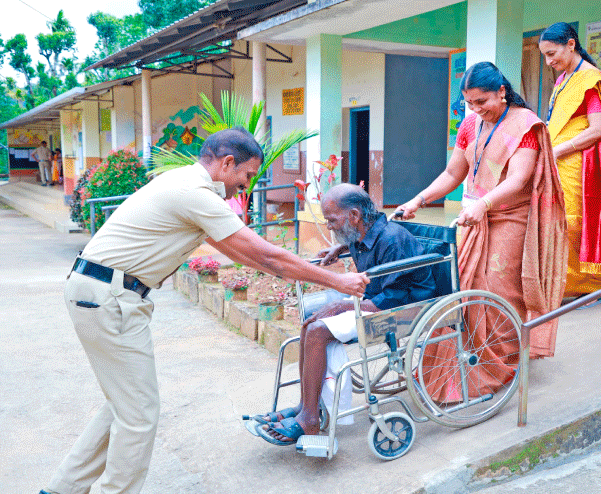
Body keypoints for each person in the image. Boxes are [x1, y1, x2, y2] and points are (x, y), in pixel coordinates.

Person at [40, 129, 369, 494]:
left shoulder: (186, 185)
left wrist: (299, 271)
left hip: (102, 292)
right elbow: (268, 254)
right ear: (227, 163)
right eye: (246, 175)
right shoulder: (194, 193)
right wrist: (336, 282)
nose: (245, 186)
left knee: (123, 405)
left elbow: (242, 253)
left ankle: (62, 489)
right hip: (109, 297)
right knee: (139, 415)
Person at [396, 61, 567, 385]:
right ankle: (463, 362)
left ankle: (501, 367)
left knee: (497, 288)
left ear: (501, 92)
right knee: (462, 287)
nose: (475, 109)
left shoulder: (525, 125)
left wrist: (484, 204)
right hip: (476, 218)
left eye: (481, 101)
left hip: (511, 218)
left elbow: (519, 178)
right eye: (469, 103)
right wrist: (417, 200)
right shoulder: (470, 125)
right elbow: (452, 174)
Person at [255, 184, 436, 445]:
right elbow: (364, 247)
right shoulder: (364, 234)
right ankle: (306, 406)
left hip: (403, 307)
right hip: (377, 298)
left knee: (319, 331)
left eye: (332, 220)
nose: (328, 226)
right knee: (310, 323)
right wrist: (340, 249)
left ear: (354, 216)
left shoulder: (392, 239)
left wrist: (346, 305)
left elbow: (392, 298)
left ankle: (309, 420)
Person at [539, 22, 601, 306]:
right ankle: (566, 282)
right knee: (556, 221)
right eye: (545, 56)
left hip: (575, 161)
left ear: (571, 44)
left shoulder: (591, 78)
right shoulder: (564, 79)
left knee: (572, 222)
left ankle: (585, 285)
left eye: (552, 53)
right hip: (558, 158)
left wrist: (558, 151)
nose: (549, 62)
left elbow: (598, 129)